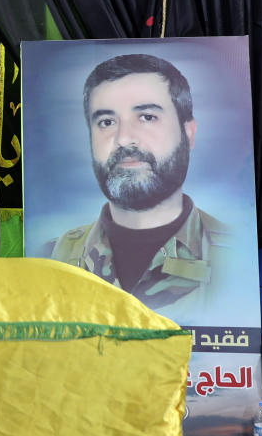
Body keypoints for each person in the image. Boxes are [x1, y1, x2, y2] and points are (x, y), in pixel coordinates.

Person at [49, 54, 231, 318]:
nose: (123, 138)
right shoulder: (52, 256)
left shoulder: (237, 257)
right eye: (106, 122)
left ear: (188, 133)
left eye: (147, 117)